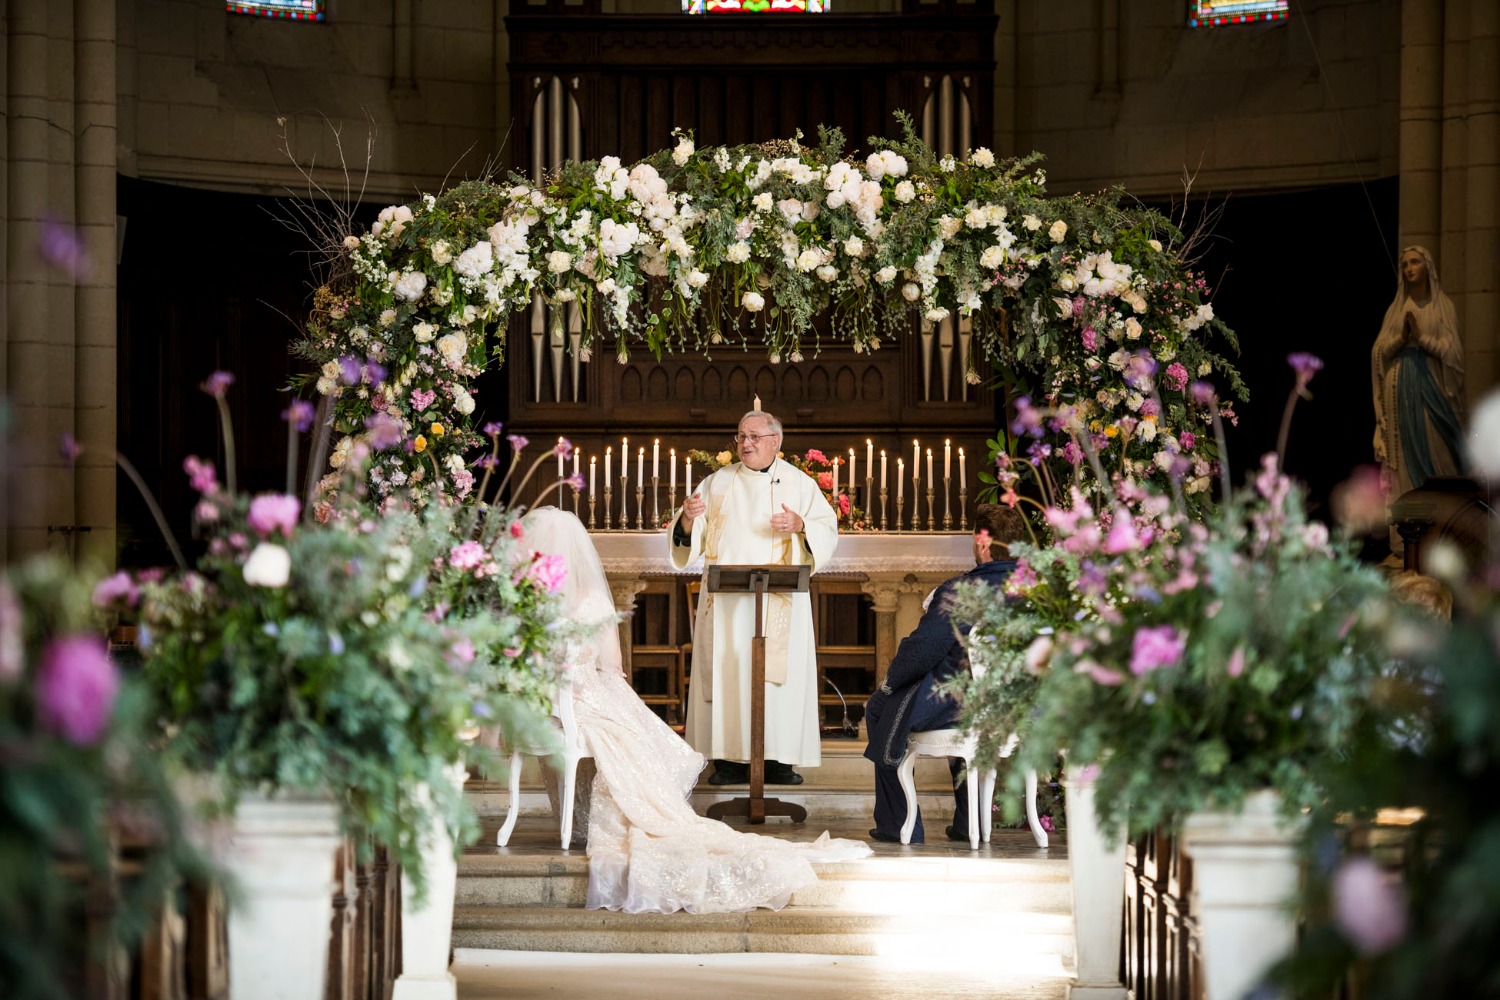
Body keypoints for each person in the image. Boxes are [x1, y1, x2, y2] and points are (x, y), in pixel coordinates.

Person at [520, 507, 869, 913]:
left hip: (544, 706)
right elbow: (612, 666)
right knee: (634, 738)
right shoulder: (593, 598)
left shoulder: (523, 601)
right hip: (590, 697)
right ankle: (645, 811)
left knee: (621, 740)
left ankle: (584, 819)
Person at [669, 409, 839, 786]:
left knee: (777, 681)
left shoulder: (799, 484)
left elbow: (827, 529)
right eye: (741, 436)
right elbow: (689, 534)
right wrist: (685, 519)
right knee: (729, 675)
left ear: (776, 441)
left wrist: (802, 525)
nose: (745, 443)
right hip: (728, 605)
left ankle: (778, 760)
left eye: (754, 437)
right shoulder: (717, 482)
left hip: (779, 601)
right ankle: (729, 762)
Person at [862, 503, 1026, 845]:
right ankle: (967, 823)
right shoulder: (1038, 593)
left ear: (982, 544)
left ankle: (899, 824)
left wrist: (891, 681)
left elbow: (923, 650)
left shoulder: (962, 591)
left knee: (881, 707)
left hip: (965, 703)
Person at [1371, 246, 1467, 506]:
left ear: (1428, 268)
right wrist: (1402, 338)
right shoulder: (1396, 310)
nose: (1409, 269)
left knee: (1441, 453)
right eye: (1405, 264)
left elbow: (1455, 355)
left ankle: (1443, 522)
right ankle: (1407, 534)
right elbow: (1379, 353)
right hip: (1401, 391)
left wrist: (1423, 339)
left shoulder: (1443, 308)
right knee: (1404, 456)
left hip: (1435, 390)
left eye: (1415, 262)